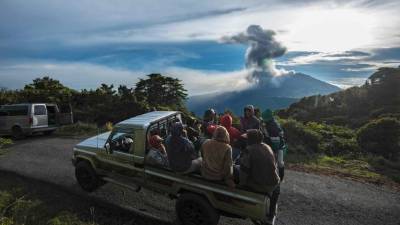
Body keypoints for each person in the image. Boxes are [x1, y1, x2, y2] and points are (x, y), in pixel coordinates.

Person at [237, 129, 280, 224]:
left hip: (261, 185)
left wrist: (241, 185)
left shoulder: (249, 150)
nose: (246, 140)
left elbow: (244, 171)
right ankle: (271, 215)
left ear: (251, 140)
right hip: (274, 183)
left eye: (247, 138)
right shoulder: (267, 147)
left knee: (236, 169)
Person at [261, 109, 286, 181]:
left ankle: (279, 178)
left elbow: (275, 142)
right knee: (274, 163)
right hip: (274, 144)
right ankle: (274, 178)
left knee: (279, 163)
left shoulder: (273, 126)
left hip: (278, 146)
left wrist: (273, 152)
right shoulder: (269, 122)